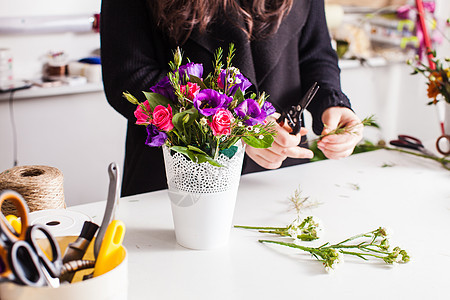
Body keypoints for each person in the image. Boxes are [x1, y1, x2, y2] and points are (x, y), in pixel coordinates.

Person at [100, 0, 363, 197]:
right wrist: (241, 127)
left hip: (280, 174)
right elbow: (128, 76)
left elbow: (314, 53)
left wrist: (332, 102)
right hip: (177, 180)